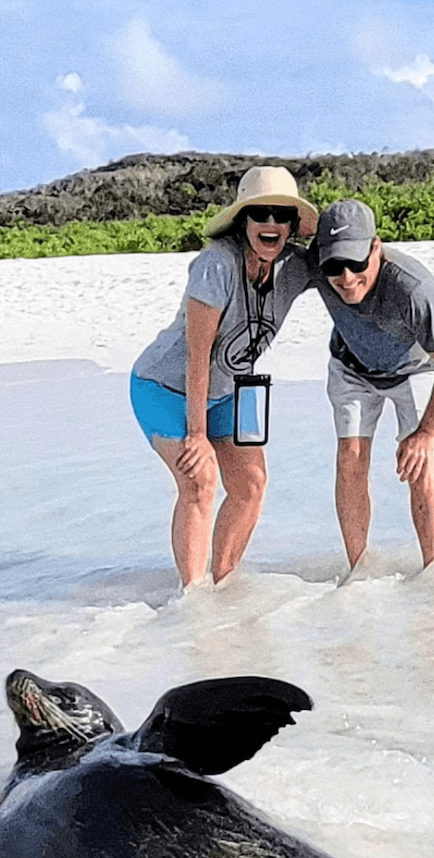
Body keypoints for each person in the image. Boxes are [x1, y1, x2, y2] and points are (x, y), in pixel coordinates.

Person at [130, 167, 317, 588]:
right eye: (261, 213)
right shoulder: (216, 264)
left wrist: (430, 302)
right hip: (166, 387)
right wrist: (196, 433)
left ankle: (223, 581)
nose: (271, 224)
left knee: (252, 483)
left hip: (232, 390)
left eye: (281, 216)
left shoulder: (296, 267)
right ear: (243, 221)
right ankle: (192, 596)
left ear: (291, 227)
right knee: (200, 480)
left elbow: (359, 265)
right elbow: (198, 356)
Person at [311, 199, 434, 571]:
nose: (345, 277)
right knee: (350, 459)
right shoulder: (319, 265)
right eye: (333, 266)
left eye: (356, 263)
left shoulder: (412, 287)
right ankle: (357, 567)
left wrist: (425, 434)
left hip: (415, 369)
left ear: (376, 247)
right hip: (351, 366)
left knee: (419, 461)